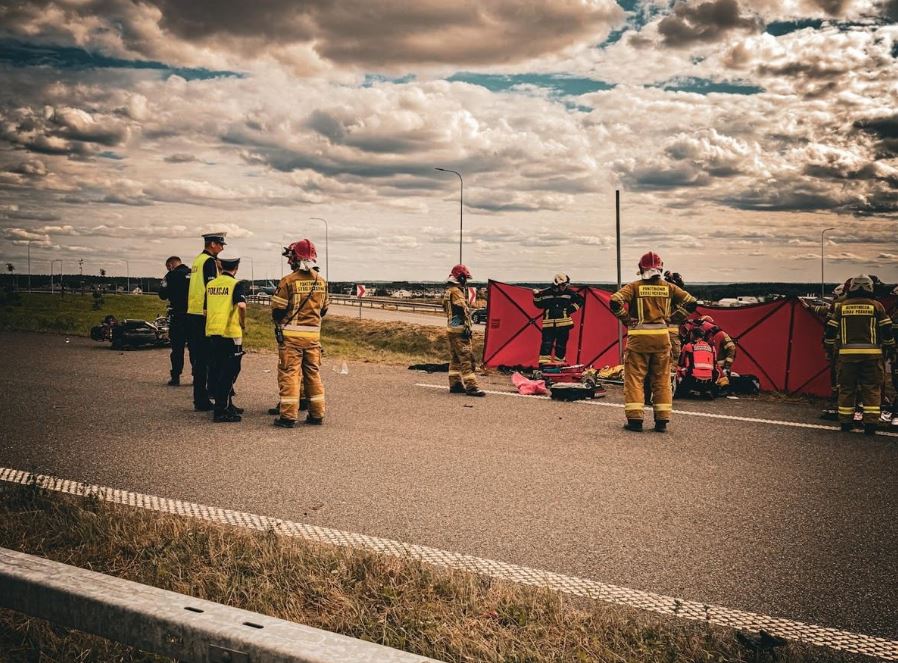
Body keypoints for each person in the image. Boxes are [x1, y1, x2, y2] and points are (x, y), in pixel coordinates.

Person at [611, 251, 696, 432]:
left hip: (638, 341)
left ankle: (635, 420)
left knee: (635, 379)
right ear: (660, 268)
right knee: (662, 380)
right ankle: (662, 421)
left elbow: (615, 301)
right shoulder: (669, 288)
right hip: (662, 340)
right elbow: (691, 302)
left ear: (641, 268)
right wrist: (674, 318)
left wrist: (626, 319)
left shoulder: (634, 286)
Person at [824, 274, 894, 436]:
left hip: (847, 357)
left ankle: (846, 423)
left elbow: (830, 331)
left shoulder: (842, 307)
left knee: (847, 389)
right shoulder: (877, 306)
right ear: (870, 288)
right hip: (872, 357)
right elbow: (887, 330)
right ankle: (870, 424)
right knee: (871, 389)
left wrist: (829, 349)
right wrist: (891, 348)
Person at [271, 239, 329, 428]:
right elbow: (324, 310)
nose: (289, 262)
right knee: (313, 375)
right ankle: (317, 415)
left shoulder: (288, 281)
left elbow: (278, 310)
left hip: (291, 339)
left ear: (295, 259)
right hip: (313, 338)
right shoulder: (321, 281)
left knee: (290, 375)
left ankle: (288, 417)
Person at [205, 256, 246, 423]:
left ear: (220, 266)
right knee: (229, 372)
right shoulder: (236, 284)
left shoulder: (211, 284)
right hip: (230, 333)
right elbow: (242, 306)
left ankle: (228, 404)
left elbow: (206, 310)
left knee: (217, 368)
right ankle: (221, 410)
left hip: (213, 331)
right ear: (236, 267)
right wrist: (242, 323)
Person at [186, 232, 225, 411]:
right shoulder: (209, 262)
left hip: (192, 313)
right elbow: (211, 288)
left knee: (198, 358)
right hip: (204, 315)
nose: (222, 248)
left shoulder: (197, 260)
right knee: (208, 359)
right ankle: (204, 398)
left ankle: (199, 397)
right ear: (212, 244)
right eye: (220, 244)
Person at [442, 264, 485, 397]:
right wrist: (467, 326)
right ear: (460, 278)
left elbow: (446, 309)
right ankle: (471, 386)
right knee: (467, 358)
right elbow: (463, 310)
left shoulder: (448, 291)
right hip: (459, 331)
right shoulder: (456, 291)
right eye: (465, 278)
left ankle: (455, 384)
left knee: (455, 358)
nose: (466, 281)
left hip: (451, 329)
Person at [532, 273, 583, 365]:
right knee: (546, 345)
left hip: (564, 325)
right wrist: (536, 296)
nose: (564, 287)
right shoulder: (546, 293)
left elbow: (580, 300)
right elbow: (538, 305)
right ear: (556, 284)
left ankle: (559, 364)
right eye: (563, 285)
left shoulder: (570, 293)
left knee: (561, 346)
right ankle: (544, 365)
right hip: (548, 325)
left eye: (565, 285)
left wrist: (570, 309)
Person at [158, 256, 191, 386]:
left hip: (177, 315)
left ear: (171, 265)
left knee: (177, 348)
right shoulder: (193, 273)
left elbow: (162, 294)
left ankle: (176, 376)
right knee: (195, 348)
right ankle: (197, 376)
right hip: (193, 316)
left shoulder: (171, 275)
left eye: (168, 267)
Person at [676, 326, 718, 399]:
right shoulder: (711, 347)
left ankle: (690, 390)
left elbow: (681, 362)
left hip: (692, 379)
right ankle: (706, 390)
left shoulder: (688, 346)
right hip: (709, 381)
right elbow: (715, 364)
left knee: (677, 368)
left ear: (692, 335)